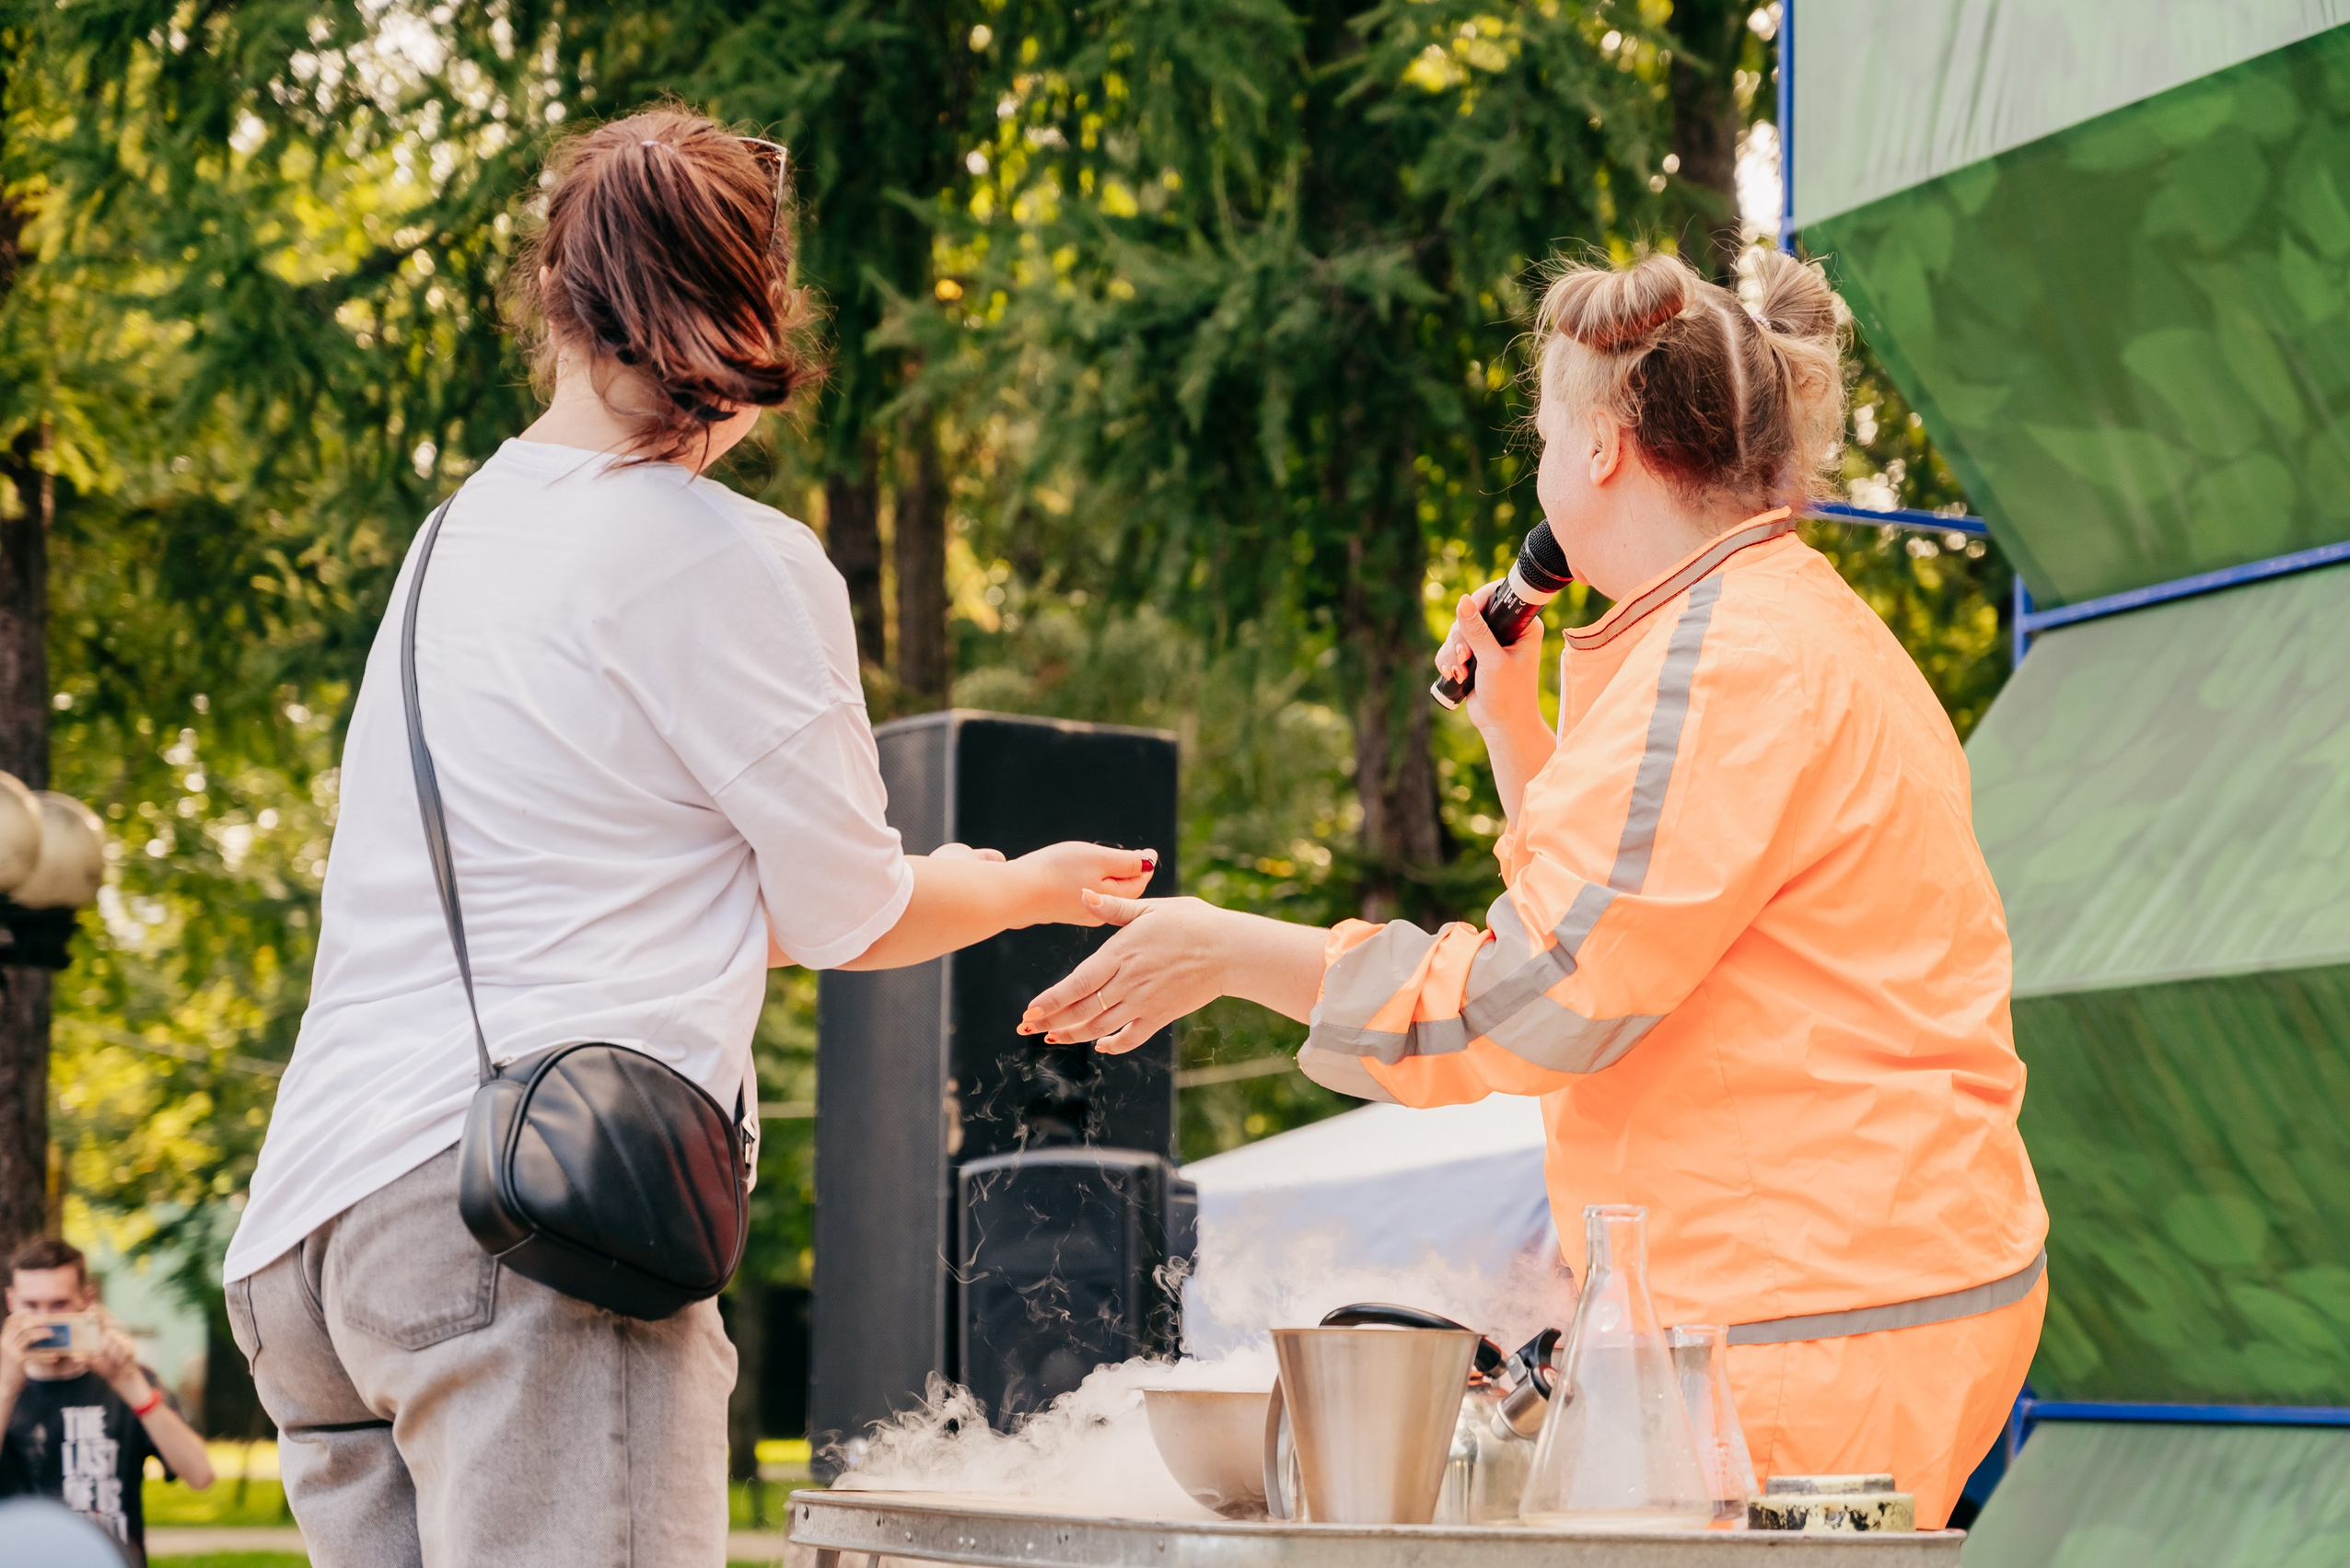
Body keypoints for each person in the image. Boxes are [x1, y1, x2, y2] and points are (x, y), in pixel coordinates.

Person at [220, 107, 1153, 1567]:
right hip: (527, 1230)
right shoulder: (726, 558)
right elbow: (851, 912)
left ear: (555, 298)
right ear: (750, 316)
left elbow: (613, 891)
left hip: (318, 1237)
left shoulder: (455, 536)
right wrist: (1002, 886)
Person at [1022, 250, 2048, 1527]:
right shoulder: (1770, 623)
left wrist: (1230, 951)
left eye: (1547, 431)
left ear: (1605, 447)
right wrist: (1514, 727)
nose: (1542, 460)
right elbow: (1629, 924)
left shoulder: (1724, 660)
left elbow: (1536, 994)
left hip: (1811, 1306)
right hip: (1858, 1279)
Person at [1, 1237, 215, 1563]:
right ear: (11, 1302)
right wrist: (6, 1386)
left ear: (87, 1300)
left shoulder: (126, 1377)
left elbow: (200, 1474)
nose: (44, 1321)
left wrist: (129, 1383)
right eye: (31, 1306)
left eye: (59, 1305)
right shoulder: (3, 1385)